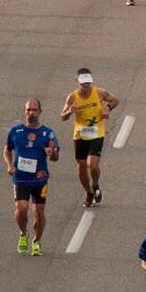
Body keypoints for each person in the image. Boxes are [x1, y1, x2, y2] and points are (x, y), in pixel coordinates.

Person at [3, 97, 60, 255]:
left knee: (39, 212)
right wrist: (9, 165)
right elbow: (7, 150)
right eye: (28, 110)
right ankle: (23, 233)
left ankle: (37, 240)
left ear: (40, 112)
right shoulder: (16, 131)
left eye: (34, 110)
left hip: (40, 180)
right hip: (21, 178)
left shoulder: (47, 133)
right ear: (24, 111)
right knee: (21, 208)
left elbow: (55, 157)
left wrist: (52, 153)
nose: (31, 113)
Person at [60, 68, 119, 208]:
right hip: (80, 134)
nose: (86, 86)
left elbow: (115, 100)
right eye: (83, 84)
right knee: (81, 167)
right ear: (78, 82)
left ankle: (96, 184)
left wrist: (107, 108)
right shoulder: (72, 97)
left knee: (92, 164)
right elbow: (62, 116)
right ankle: (88, 192)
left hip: (96, 132)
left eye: (88, 83)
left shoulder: (99, 92)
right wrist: (69, 112)